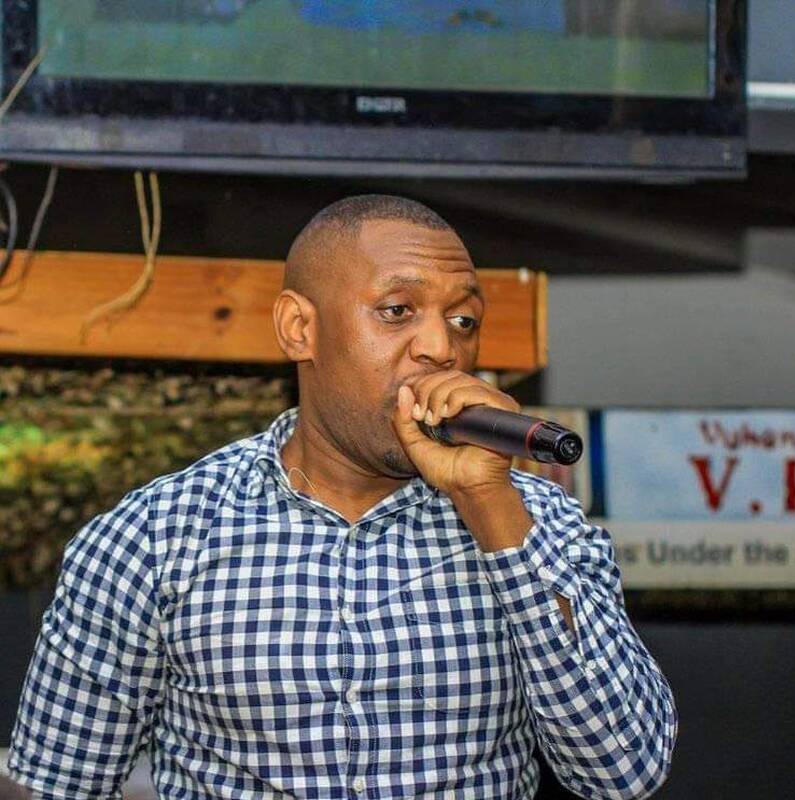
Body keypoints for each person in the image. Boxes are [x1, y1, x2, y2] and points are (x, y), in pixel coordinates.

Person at [7, 195, 676, 799]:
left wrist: (489, 504)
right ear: (300, 328)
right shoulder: (154, 535)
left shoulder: (537, 522)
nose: (441, 348)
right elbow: (60, 785)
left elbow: (623, 772)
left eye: (464, 320)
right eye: (397, 311)